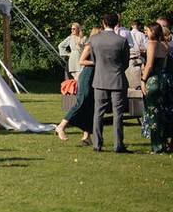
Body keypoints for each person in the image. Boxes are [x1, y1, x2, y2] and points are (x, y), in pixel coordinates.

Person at [88, 13, 130, 152]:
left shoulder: (94, 39)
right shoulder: (121, 41)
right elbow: (125, 62)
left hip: (100, 79)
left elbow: (94, 60)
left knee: (98, 112)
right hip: (117, 79)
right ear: (117, 23)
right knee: (118, 114)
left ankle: (97, 144)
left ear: (103, 22)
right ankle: (118, 144)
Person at [55, 26, 100, 144]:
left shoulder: (98, 46)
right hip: (87, 75)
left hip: (95, 77)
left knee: (91, 105)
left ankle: (86, 136)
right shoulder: (90, 45)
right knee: (82, 101)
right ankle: (61, 126)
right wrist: (96, 62)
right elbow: (82, 60)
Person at [140, 22, 171, 153]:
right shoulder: (165, 45)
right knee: (161, 113)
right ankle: (163, 143)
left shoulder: (152, 44)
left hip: (153, 81)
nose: (145, 32)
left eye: (147, 30)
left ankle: (156, 146)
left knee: (152, 113)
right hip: (163, 80)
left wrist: (143, 80)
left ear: (153, 31)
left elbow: (150, 65)